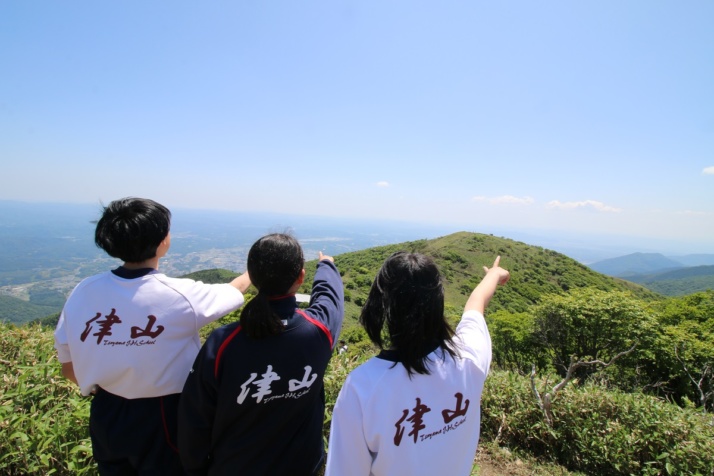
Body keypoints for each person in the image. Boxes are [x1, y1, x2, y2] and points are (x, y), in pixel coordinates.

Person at [53, 197, 251, 475]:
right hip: (164, 415)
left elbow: (68, 367)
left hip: (106, 413)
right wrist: (253, 270)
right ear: (162, 242)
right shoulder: (181, 295)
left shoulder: (83, 291)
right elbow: (232, 292)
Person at [325, 252, 510, 476]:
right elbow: (476, 304)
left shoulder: (361, 387)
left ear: (383, 305)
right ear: (437, 302)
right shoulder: (469, 358)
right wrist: (494, 274)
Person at [178, 233, 344, 476]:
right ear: (300, 277)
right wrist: (326, 265)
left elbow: (195, 416)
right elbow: (330, 298)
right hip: (302, 466)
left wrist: (195, 467)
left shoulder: (223, 342)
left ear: (253, 278)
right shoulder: (319, 332)